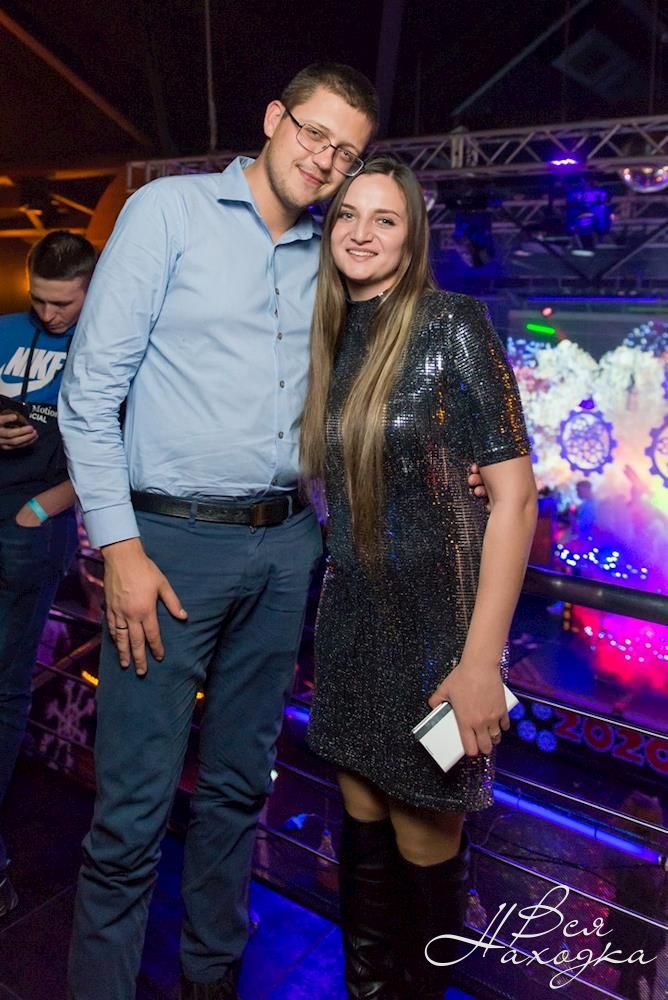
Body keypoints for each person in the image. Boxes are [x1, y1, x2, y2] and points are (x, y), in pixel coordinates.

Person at [58, 63, 379, 1000]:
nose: (324, 160)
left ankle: (211, 977)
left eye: (346, 152)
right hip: (169, 548)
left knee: (241, 786)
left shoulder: (327, 253)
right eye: (314, 134)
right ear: (275, 118)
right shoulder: (171, 213)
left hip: (287, 545)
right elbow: (89, 396)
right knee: (133, 806)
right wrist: (120, 548)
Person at [301, 156, 538, 999]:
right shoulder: (329, 336)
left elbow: (515, 500)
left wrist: (480, 664)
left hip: (440, 640)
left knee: (426, 848)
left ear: (411, 238)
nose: (362, 233)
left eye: (386, 218)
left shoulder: (451, 325)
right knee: (362, 834)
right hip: (351, 626)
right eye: (347, 215)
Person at [0, 231, 95, 918]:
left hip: (32, 528)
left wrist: (44, 506)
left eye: (63, 302)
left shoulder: (107, 345)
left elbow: (123, 451)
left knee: (5, 692)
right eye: (39, 300)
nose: (49, 314)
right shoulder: (8, 330)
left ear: (92, 290)